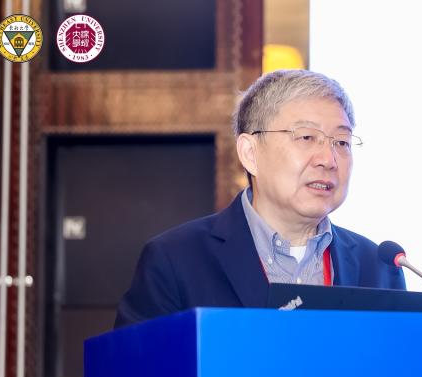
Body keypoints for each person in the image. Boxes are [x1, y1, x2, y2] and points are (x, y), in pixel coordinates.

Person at [115, 69, 405, 328]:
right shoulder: (176, 260)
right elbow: (137, 370)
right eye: (306, 137)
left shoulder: (378, 267)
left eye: (341, 142)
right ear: (250, 153)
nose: (328, 160)